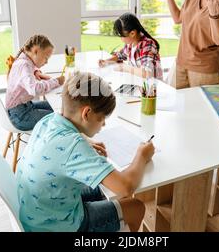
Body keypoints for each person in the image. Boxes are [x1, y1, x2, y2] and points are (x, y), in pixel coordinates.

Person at [16, 72, 155, 232]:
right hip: (55, 226)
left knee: (103, 190)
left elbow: (64, 146)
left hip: (36, 213)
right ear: (87, 113)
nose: (103, 125)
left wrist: (86, 141)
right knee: (135, 207)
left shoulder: (48, 120)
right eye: (102, 118)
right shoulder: (74, 146)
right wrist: (142, 155)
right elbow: (126, 187)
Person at [5, 34, 65, 131]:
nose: (46, 62)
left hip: (23, 108)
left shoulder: (23, 60)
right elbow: (35, 89)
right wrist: (56, 81)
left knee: (58, 107)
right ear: (36, 51)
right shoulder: (24, 65)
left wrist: (36, 72)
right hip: (20, 116)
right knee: (60, 117)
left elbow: (27, 72)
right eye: (46, 58)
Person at [98, 13, 163, 80]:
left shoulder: (147, 45)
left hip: (153, 86)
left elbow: (147, 73)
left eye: (121, 36)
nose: (121, 39)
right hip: (139, 82)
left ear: (132, 33)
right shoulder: (130, 44)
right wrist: (106, 61)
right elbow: (120, 56)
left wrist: (125, 68)